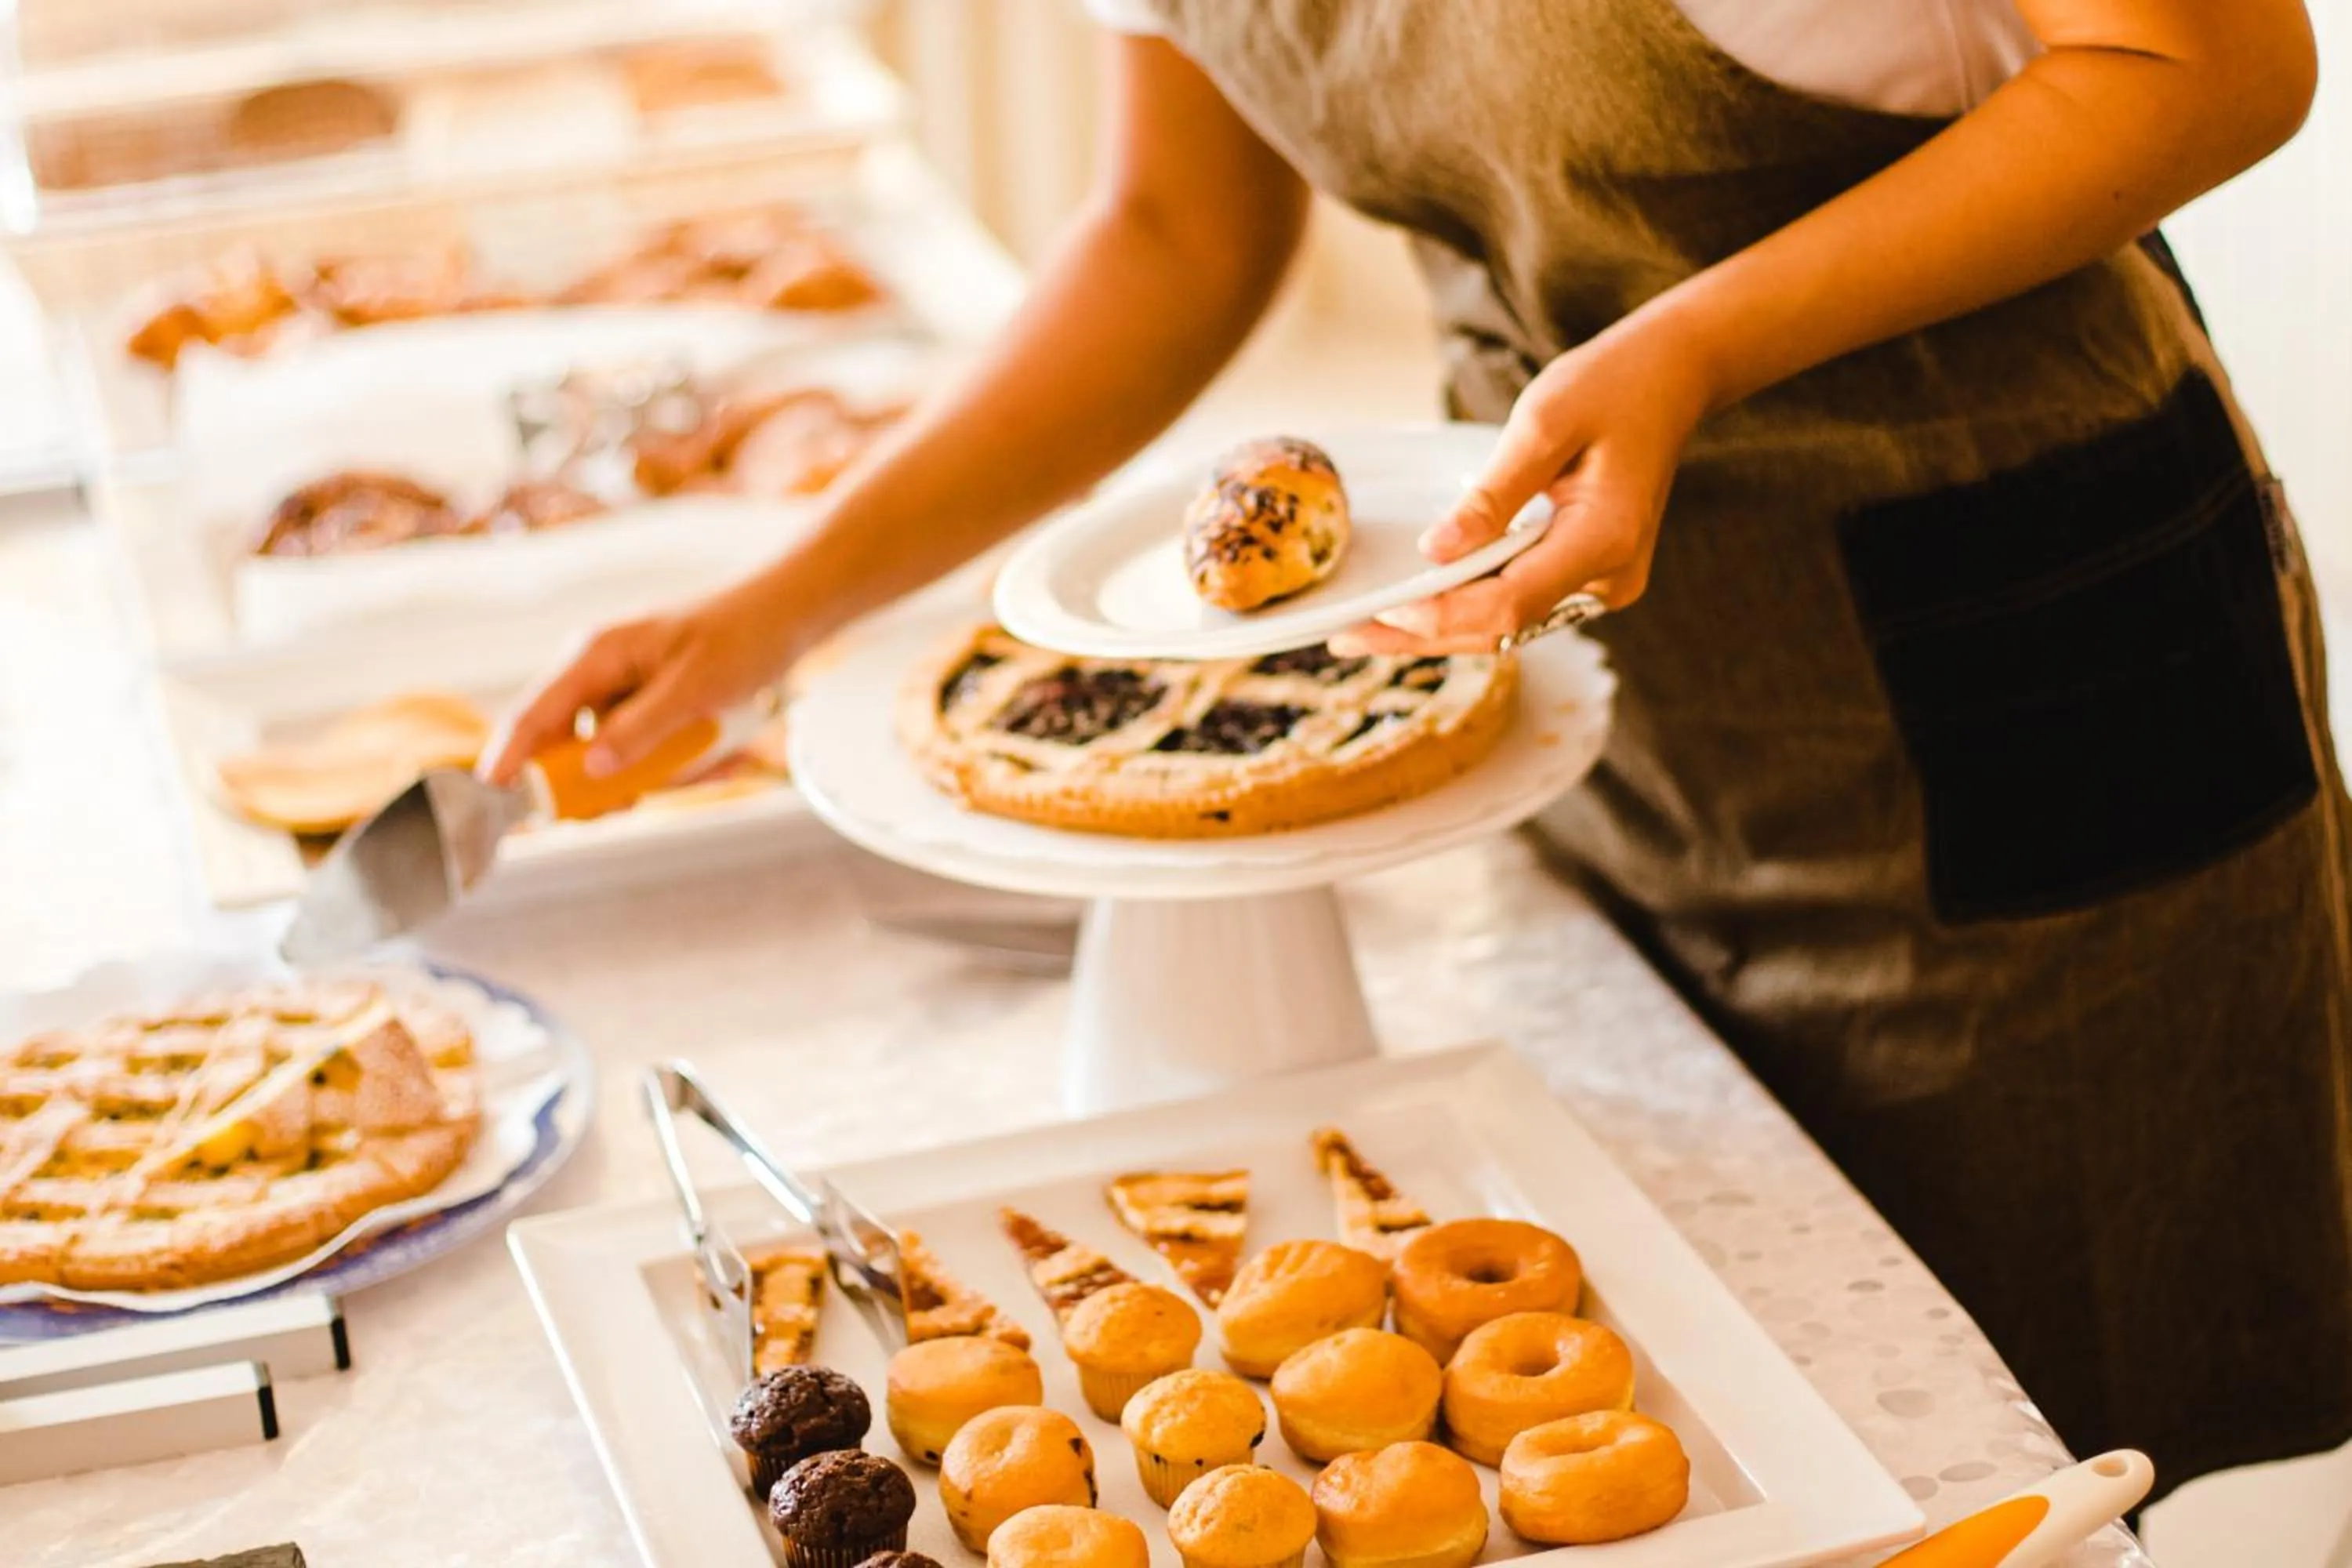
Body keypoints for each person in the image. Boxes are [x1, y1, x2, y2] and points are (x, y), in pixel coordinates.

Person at [494, 0, 2350, 1496]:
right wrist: (774, 605)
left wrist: (1687, 347)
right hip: (1615, 690)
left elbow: (2217, 61)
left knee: (2039, 1432)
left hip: (2031, 642)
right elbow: (1172, 230)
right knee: (1756, 1415)